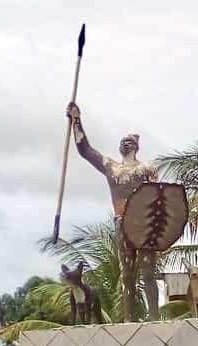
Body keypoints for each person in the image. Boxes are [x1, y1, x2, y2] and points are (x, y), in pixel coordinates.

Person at [66, 102, 160, 322]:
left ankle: (154, 317)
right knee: (127, 274)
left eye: (130, 141)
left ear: (136, 146)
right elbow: (85, 150)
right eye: (122, 141)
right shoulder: (111, 167)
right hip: (122, 222)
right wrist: (76, 120)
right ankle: (129, 318)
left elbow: (160, 198)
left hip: (145, 223)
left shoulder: (147, 169)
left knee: (147, 271)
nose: (125, 143)